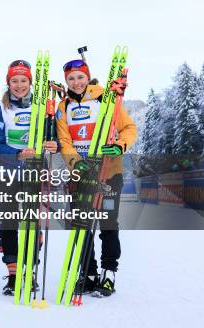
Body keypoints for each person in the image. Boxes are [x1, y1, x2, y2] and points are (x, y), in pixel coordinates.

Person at [56, 58, 136, 297]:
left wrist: (119, 146)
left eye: (80, 77)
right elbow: (65, 141)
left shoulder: (106, 99)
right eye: (71, 78)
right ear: (66, 81)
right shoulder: (63, 107)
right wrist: (75, 162)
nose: (76, 82)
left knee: (108, 224)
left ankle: (108, 273)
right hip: (80, 176)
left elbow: (129, 128)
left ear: (87, 77)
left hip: (109, 172)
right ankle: (88, 273)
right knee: (81, 226)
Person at [0, 60, 58, 295]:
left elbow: (55, 137)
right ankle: (13, 273)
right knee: (8, 223)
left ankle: (30, 272)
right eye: (14, 81)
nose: (19, 85)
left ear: (30, 82)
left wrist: (53, 144)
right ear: (8, 83)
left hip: (34, 172)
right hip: (6, 172)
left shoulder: (43, 108)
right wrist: (17, 153)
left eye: (23, 80)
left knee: (31, 224)